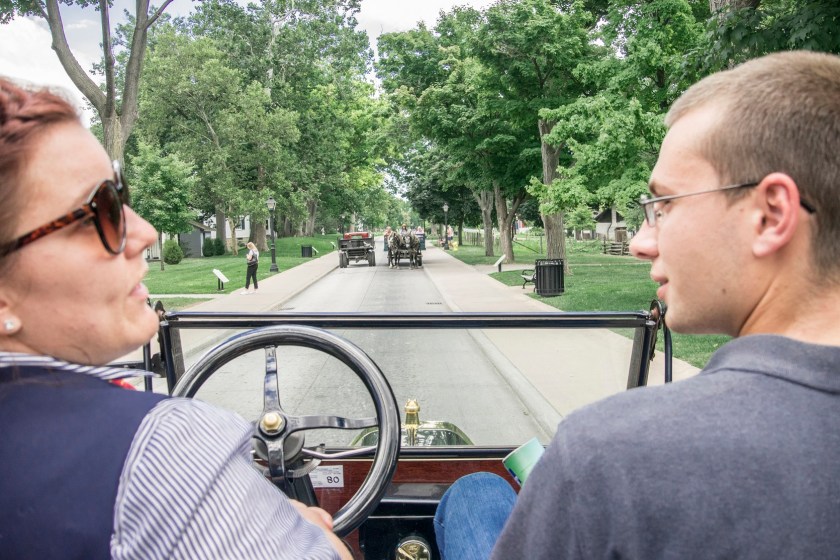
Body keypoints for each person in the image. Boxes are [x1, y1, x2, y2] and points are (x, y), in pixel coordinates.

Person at [435, 50, 840, 559]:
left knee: (476, 492)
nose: (641, 243)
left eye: (663, 206)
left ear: (770, 214)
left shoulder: (609, 455)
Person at [0, 79, 351, 559]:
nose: (142, 231)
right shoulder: (164, 449)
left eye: (119, 193)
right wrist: (304, 529)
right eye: (99, 212)